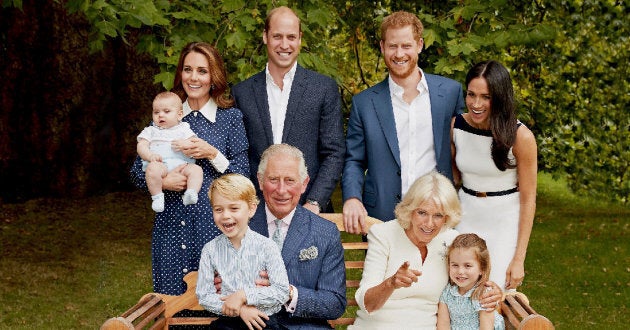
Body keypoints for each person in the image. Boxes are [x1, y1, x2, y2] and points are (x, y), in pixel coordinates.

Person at [130, 42, 250, 295]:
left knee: (218, 304)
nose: (193, 77)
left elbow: (243, 175)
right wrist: (162, 183)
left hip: (214, 226)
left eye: (202, 71)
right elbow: (135, 173)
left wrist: (213, 154)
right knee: (172, 303)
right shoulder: (165, 114)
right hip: (171, 226)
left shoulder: (230, 118)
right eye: (187, 69)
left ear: (214, 76)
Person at [343, 11, 465, 233]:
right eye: (392, 46)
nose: (399, 54)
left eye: (406, 46)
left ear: (419, 45)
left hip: (438, 215)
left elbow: (465, 147)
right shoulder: (364, 103)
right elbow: (354, 160)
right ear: (382, 47)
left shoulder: (449, 93)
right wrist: (352, 197)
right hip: (381, 216)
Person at [349, 172, 501, 329]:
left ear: (447, 217)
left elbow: (472, 281)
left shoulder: (451, 241)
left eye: (438, 215)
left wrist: (492, 292)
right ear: (410, 210)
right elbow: (367, 304)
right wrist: (391, 283)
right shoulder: (383, 234)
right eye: (422, 213)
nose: (429, 224)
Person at [232, 6, 345, 214]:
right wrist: (251, 201)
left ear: (300, 39)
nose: (285, 45)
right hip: (257, 212)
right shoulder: (242, 93)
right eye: (277, 36)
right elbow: (240, 154)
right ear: (265, 36)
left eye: (291, 37)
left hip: (310, 210)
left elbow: (334, 152)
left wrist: (314, 202)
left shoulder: (323, 88)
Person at [233, 143, 346, 329]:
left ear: (304, 184)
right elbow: (217, 286)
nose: (281, 190)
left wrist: (289, 294)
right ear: (260, 181)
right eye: (273, 179)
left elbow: (335, 303)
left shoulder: (325, 232)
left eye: (290, 180)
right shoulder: (238, 225)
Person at [450, 60, 537, 290]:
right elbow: (453, 179)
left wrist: (519, 259)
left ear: (499, 97)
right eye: (471, 94)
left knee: (494, 296)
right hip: (465, 217)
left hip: (504, 223)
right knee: (459, 292)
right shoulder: (456, 126)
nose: (476, 104)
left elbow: (528, 200)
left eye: (485, 97)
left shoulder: (521, 137)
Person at [197, 173, 289, 330]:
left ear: (251, 209)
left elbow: (281, 291)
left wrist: (244, 295)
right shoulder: (210, 250)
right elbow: (204, 295)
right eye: (218, 209)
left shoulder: (267, 246)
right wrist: (239, 309)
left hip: (264, 321)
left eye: (234, 208)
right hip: (228, 322)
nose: (226, 216)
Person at [137, 91, 203, 212]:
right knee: (152, 170)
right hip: (160, 164)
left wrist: (186, 144)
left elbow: (195, 143)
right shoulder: (151, 130)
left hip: (182, 165)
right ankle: (157, 196)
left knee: (196, 170)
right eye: (156, 112)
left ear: (179, 115)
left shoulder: (184, 128)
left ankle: (191, 192)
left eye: (166, 111)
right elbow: (141, 146)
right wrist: (150, 155)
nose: (160, 115)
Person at [437, 233, 505, 330]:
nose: (460, 271)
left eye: (467, 266)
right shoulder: (448, 293)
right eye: (455, 265)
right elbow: (443, 325)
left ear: (482, 268)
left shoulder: (483, 294)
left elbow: (486, 328)